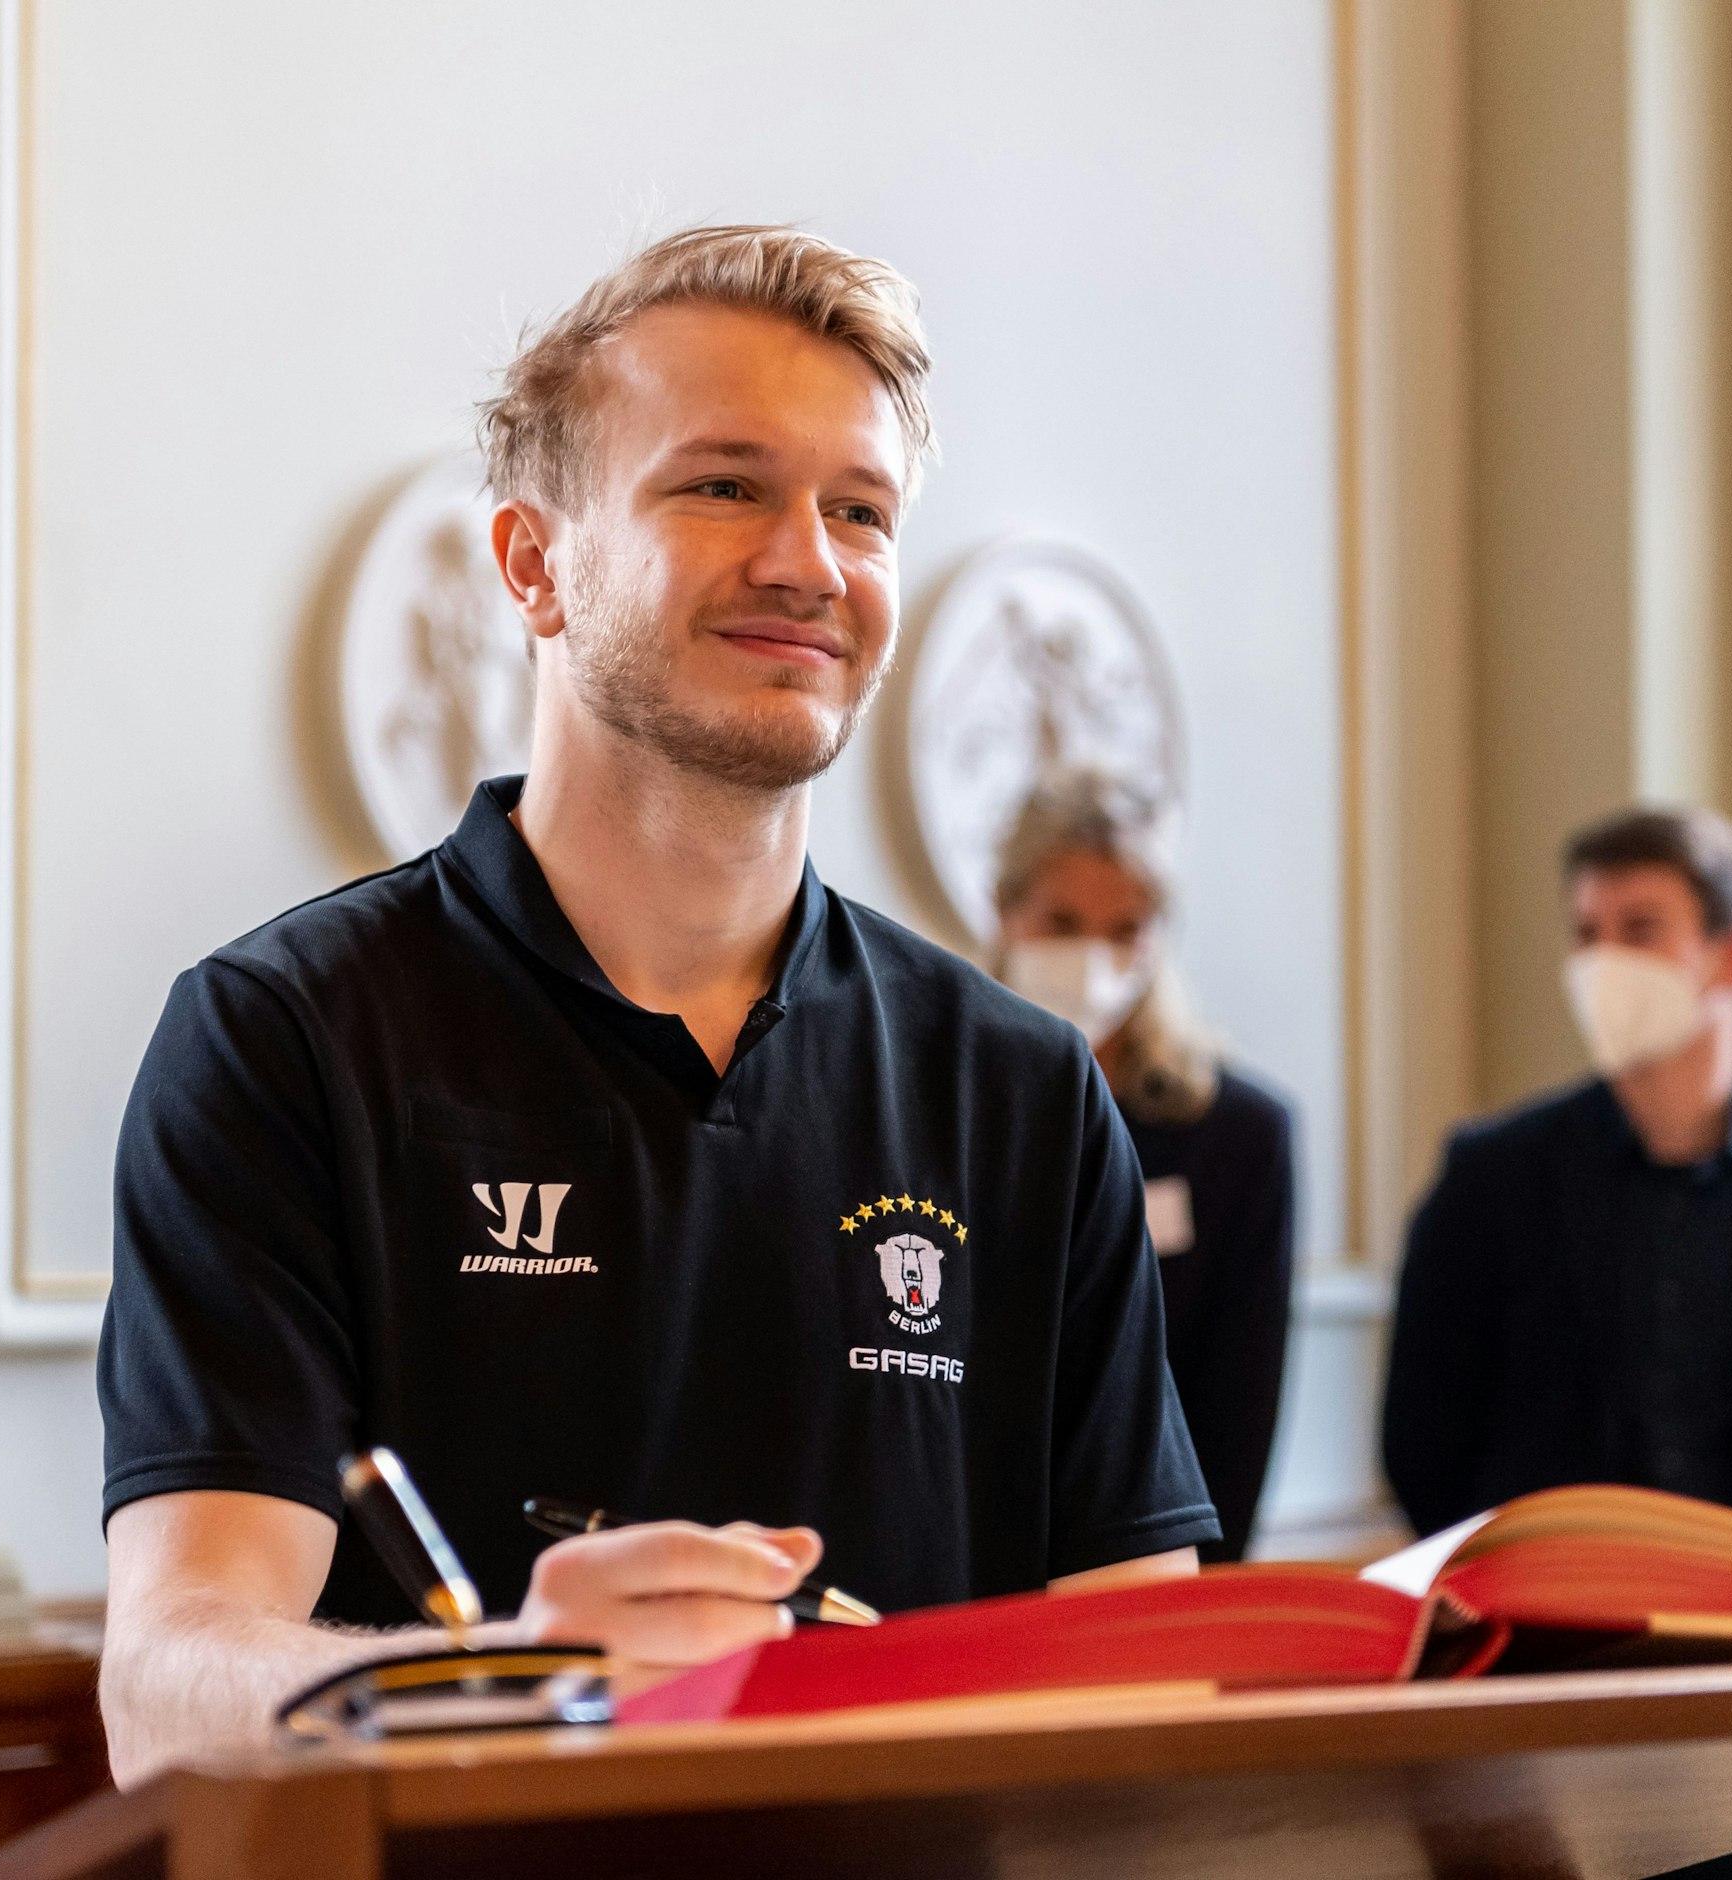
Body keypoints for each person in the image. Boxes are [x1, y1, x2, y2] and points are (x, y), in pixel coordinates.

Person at [96, 226, 1218, 1784]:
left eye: (862, 510)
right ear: (533, 562)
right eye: (723, 485)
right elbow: (163, 1694)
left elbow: (1142, 1690)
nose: (808, 562)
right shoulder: (282, 1039)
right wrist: (511, 1681)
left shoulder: (1023, 1089)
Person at [1383, 805, 1732, 1538]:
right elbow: (1423, 1438)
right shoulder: (1491, 1180)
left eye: (1639, 930)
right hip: (1551, 1621)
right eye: (1585, 935)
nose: (1604, 963)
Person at [993, 773, 1295, 1561]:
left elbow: (1239, 1404)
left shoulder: (1238, 1136)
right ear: (1005, 912)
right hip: (968, 1554)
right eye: (1062, 921)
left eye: (1125, 928)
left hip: (1152, 1551)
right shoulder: (933, 1100)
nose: (1093, 956)